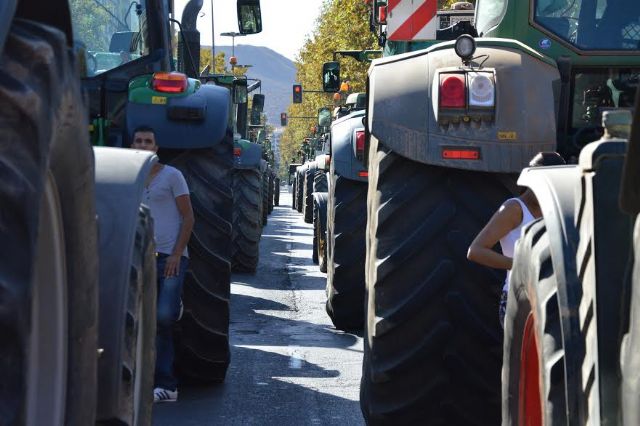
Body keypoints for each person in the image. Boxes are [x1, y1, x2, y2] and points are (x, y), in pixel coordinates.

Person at [131, 126, 194, 402]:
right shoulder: (129, 177)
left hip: (169, 257)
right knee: (139, 321)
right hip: (137, 258)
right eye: (139, 141)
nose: (143, 145)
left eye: (148, 141)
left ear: (156, 148)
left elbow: (188, 218)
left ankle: (167, 384)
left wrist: (176, 255)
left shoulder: (172, 176)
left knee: (164, 318)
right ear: (132, 145)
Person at [467, 152, 566, 327]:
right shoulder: (514, 209)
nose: (549, 191)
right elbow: (476, 251)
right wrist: (521, 265)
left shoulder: (555, 207)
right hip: (520, 301)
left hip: (550, 299)